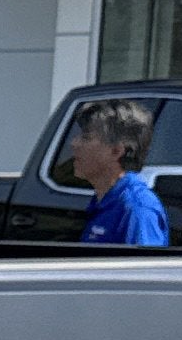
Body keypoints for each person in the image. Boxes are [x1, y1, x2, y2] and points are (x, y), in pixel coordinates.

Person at [67, 100, 171, 246]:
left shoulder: (137, 209)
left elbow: (144, 268)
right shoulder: (104, 200)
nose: (74, 144)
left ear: (116, 151)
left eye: (86, 138)